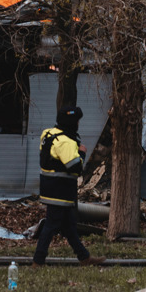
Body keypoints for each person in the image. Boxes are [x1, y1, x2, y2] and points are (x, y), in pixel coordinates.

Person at [32, 105, 105, 266]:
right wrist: (82, 153)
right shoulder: (66, 142)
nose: (78, 124)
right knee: (50, 226)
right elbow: (76, 168)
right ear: (72, 122)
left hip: (51, 188)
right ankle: (37, 261)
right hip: (60, 190)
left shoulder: (49, 134)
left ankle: (84, 257)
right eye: (77, 121)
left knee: (69, 226)